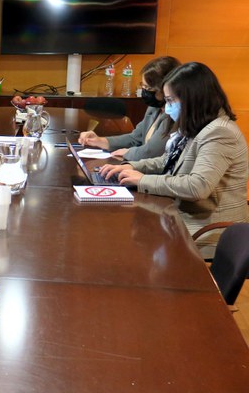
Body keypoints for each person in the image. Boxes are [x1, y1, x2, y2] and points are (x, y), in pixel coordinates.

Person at [99, 62, 248, 256]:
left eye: (170, 101)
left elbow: (197, 186)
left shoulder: (219, 133)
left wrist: (142, 180)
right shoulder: (198, 125)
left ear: (192, 99)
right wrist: (130, 166)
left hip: (205, 232)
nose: (167, 108)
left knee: (127, 245)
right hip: (177, 216)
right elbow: (167, 161)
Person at [79, 56, 181, 160]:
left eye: (148, 88)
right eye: (143, 86)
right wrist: (100, 141)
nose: (144, 91)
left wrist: (128, 153)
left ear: (165, 89)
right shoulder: (154, 108)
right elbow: (135, 138)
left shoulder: (174, 115)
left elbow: (151, 152)